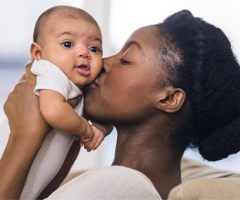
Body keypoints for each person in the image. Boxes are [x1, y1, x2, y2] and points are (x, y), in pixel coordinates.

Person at [1, 9, 240, 199]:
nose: (102, 62)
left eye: (125, 59)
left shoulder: (122, 186)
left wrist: (25, 135)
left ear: (169, 99)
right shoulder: (111, 181)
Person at [0, 5, 112, 199]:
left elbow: (108, 117)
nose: (84, 53)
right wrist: (86, 129)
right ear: (38, 54)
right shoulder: (51, 72)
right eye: (68, 44)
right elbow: (53, 111)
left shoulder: (81, 87)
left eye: (94, 48)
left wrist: (101, 128)